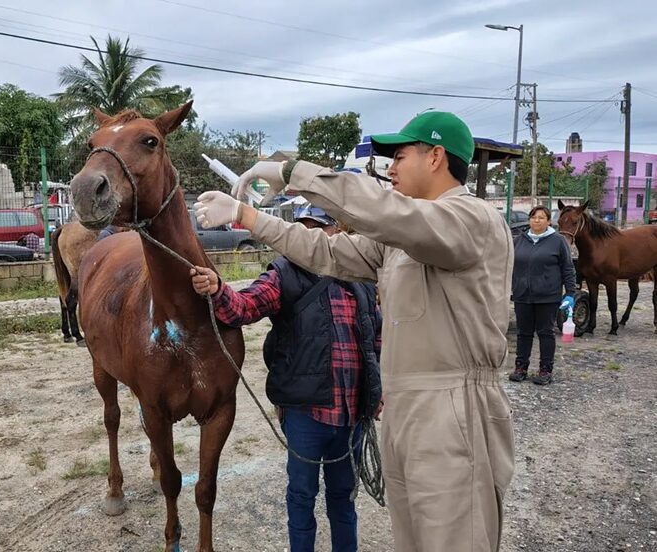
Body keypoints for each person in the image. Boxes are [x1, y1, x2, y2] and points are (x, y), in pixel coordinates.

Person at [193, 111, 515, 552]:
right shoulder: (403, 238)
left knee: (454, 537)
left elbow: (384, 212)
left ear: (437, 156)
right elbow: (323, 251)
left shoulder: (471, 218)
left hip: (452, 406)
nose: (392, 169)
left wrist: (292, 172)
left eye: (400, 156)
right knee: (414, 538)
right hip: (406, 408)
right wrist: (250, 216)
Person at [190, 204, 382, 552]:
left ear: (338, 233)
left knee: (343, 496)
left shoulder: (363, 280)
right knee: (301, 496)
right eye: (303, 229)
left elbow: (376, 338)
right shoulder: (283, 274)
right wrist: (218, 288)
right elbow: (243, 307)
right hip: (306, 415)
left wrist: (379, 389)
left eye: (318, 228)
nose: (309, 237)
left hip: (353, 415)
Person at [510, 205, 576, 385]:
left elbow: (568, 268)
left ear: (548, 221)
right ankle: (521, 367)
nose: (536, 220)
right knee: (523, 333)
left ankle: (545, 370)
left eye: (541, 217)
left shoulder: (557, 241)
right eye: (533, 217)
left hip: (547, 296)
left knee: (545, 333)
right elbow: (509, 265)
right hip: (522, 295)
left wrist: (570, 293)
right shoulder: (519, 240)